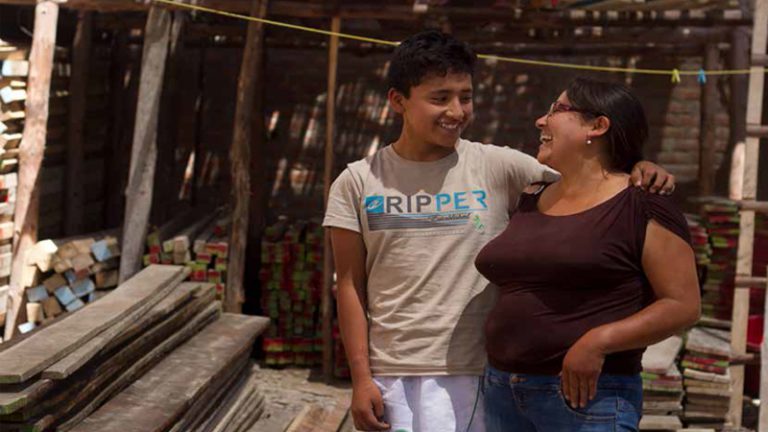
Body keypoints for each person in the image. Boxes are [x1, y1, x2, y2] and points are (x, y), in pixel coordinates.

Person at [323, 32, 674, 432]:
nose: (456, 111)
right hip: (391, 372)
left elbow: (591, 180)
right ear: (398, 100)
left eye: (466, 97)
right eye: (440, 98)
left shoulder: (498, 166)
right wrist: (361, 377)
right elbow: (349, 285)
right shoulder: (357, 182)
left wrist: (639, 168)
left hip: (476, 371)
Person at [475, 77, 701, 432]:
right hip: (503, 390)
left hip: (586, 398)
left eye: (556, 110)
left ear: (597, 126)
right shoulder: (532, 195)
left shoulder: (641, 204)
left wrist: (599, 341)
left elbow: (683, 305)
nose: (541, 120)